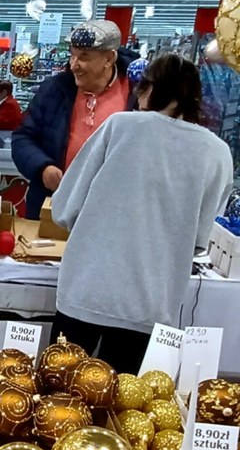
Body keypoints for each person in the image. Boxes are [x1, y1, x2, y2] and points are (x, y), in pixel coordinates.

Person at [49, 54, 232, 373]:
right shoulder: (216, 152)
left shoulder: (120, 126)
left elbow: (65, 207)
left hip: (86, 289)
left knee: (58, 398)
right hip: (151, 303)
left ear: (148, 88)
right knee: (122, 410)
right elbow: (200, 239)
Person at [12, 20, 138, 219]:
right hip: (53, 205)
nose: (74, 65)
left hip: (114, 213)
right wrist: (43, 168)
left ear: (109, 58)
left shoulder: (137, 94)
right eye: (73, 54)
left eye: (84, 57)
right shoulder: (54, 90)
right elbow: (22, 138)